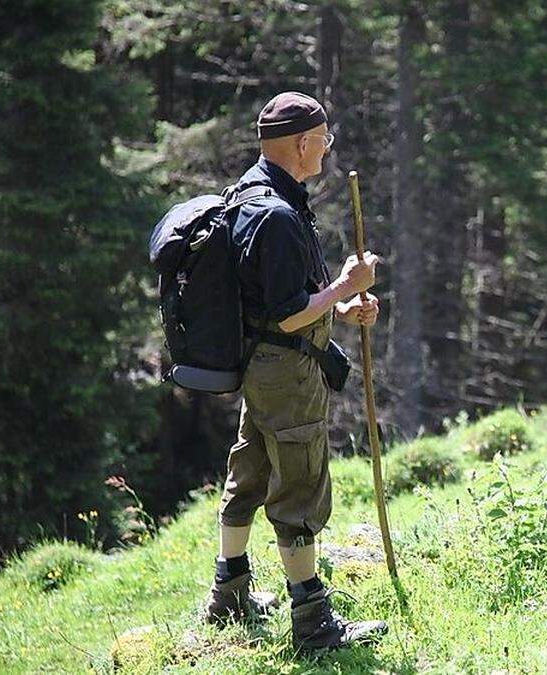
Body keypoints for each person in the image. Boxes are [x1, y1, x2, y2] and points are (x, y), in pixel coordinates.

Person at [200, 91, 388, 651]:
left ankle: (227, 594)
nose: (327, 151)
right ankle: (312, 621)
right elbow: (286, 316)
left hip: (262, 365)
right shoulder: (277, 215)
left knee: (250, 472)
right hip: (287, 370)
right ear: (303, 142)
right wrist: (346, 288)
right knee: (300, 485)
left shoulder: (253, 194)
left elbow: (279, 299)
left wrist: (342, 307)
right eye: (324, 141)